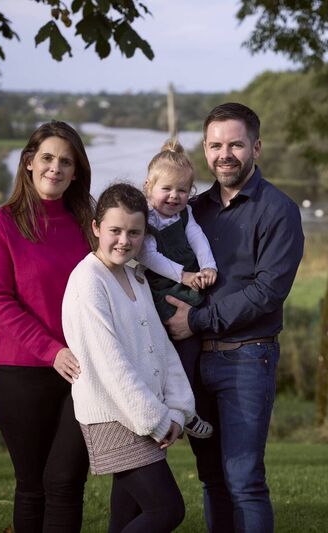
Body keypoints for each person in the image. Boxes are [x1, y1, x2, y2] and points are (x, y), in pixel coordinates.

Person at [165, 102, 305, 533]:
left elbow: (267, 293)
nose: (225, 154)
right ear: (205, 150)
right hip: (193, 362)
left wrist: (198, 320)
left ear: (256, 147)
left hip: (247, 359)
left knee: (244, 479)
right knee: (211, 479)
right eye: (215, 145)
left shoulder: (278, 210)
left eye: (235, 145)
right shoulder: (193, 209)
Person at [0, 121, 92, 532]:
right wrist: (51, 350)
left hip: (82, 374)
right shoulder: (1, 224)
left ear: (76, 172)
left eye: (66, 161)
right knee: (32, 489)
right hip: (23, 377)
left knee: (66, 483)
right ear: (29, 162)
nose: (55, 168)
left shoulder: (87, 224)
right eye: (47, 158)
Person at [62, 183, 195, 533]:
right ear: (96, 228)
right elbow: (109, 363)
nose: (124, 240)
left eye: (134, 232)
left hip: (142, 413)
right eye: (115, 230)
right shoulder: (87, 281)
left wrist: (180, 407)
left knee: (127, 518)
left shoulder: (134, 275)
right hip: (114, 416)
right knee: (167, 510)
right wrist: (156, 419)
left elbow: (161, 346)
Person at [136, 139, 217, 439]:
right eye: (166, 189)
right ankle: (178, 411)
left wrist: (209, 267)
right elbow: (148, 255)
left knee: (188, 352)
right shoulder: (146, 217)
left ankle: (183, 410)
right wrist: (183, 275)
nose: (174, 196)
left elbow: (197, 238)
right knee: (167, 352)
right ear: (149, 187)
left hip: (187, 280)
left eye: (182, 190)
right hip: (162, 285)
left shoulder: (185, 214)